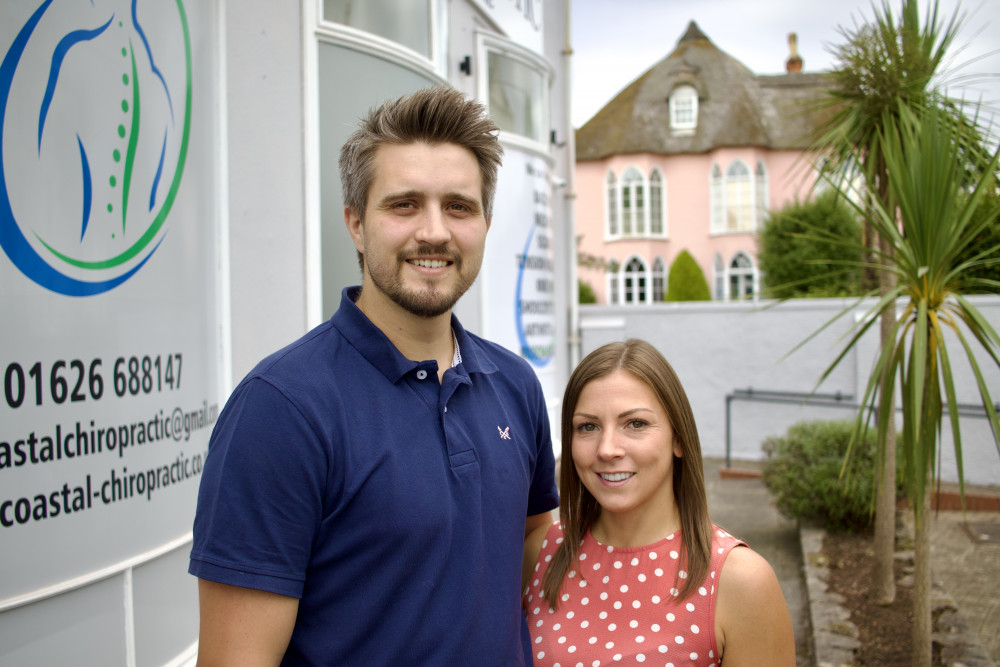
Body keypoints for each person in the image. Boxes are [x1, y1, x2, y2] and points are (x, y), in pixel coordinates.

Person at [189, 86, 559, 666]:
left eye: (458, 206)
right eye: (404, 204)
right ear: (356, 224)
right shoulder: (281, 409)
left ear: (485, 223)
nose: (434, 231)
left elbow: (532, 536)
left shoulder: (514, 384)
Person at [522, 339, 795, 666]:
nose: (607, 449)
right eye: (588, 426)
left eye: (635, 423)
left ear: (677, 438)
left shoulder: (742, 580)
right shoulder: (542, 552)